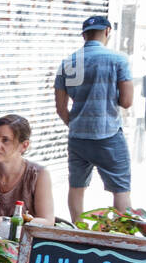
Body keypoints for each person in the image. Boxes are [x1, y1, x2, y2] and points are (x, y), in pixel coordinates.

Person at [55, 15, 134, 219]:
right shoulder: (118, 60)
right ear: (107, 31)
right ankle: (120, 238)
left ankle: (78, 232)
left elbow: (61, 108)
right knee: (121, 189)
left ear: (84, 35)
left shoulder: (66, 63)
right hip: (108, 135)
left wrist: (74, 125)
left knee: (76, 186)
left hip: (77, 138)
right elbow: (126, 101)